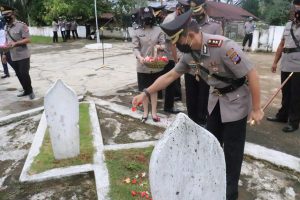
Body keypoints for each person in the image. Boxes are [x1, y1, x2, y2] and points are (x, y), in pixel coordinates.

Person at [132, 11, 264, 200]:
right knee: (211, 145)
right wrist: (145, 92)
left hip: (236, 102)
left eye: (179, 43)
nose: (178, 48)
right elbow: (170, 76)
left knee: (232, 153)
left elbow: (252, 74)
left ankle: (229, 193)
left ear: (190, 36)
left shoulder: (224, 47)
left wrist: (257, 108)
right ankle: (210, 184)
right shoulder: (189, 54)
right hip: (215, 102)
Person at [184, 0, 223, 126]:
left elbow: (218, 50)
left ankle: (202, 124)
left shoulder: (215, 26)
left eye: (197, 9)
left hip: (207, 71)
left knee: (204, 99)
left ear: (204, 7)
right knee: (190, 99)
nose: (195, 13)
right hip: (190, 69)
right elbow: (182, 46)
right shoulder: (187, 24)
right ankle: (191, 124)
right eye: (192, 9)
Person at [266, 0, 300, 133]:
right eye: (294, 9)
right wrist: (275, 62)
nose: (294, 11)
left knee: (296, 95)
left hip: (298, 66)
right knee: (285, 92)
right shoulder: (287, 25)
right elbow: (281, 44)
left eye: (297, 9)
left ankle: (294, 121)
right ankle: (282, 115)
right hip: (286, 63)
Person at [131, 7, 165, 123]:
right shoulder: (136, 31)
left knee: (154, 90)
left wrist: (158, 47)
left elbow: (164, 44)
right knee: (144, 90)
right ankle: (145, 112)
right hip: (142, 66)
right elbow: (135, 48)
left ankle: (154, 112)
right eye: (145, 19)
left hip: (155, 65)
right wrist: (140, 57)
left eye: (149, 18)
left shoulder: (158, 30)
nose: (147, 21)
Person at [2, 9, 35, 99]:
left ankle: (30, 91)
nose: (5, 16)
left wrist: (16, 43)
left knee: (24, 73)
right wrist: (4, 54)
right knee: (18, 74)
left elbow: (28, 39)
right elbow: (7, 41)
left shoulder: (21, 25)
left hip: (23, 54)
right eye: (3, 15)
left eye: (7, 14)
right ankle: (26, 90)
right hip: (12, 55)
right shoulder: (6, 27)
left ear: (13, 14)